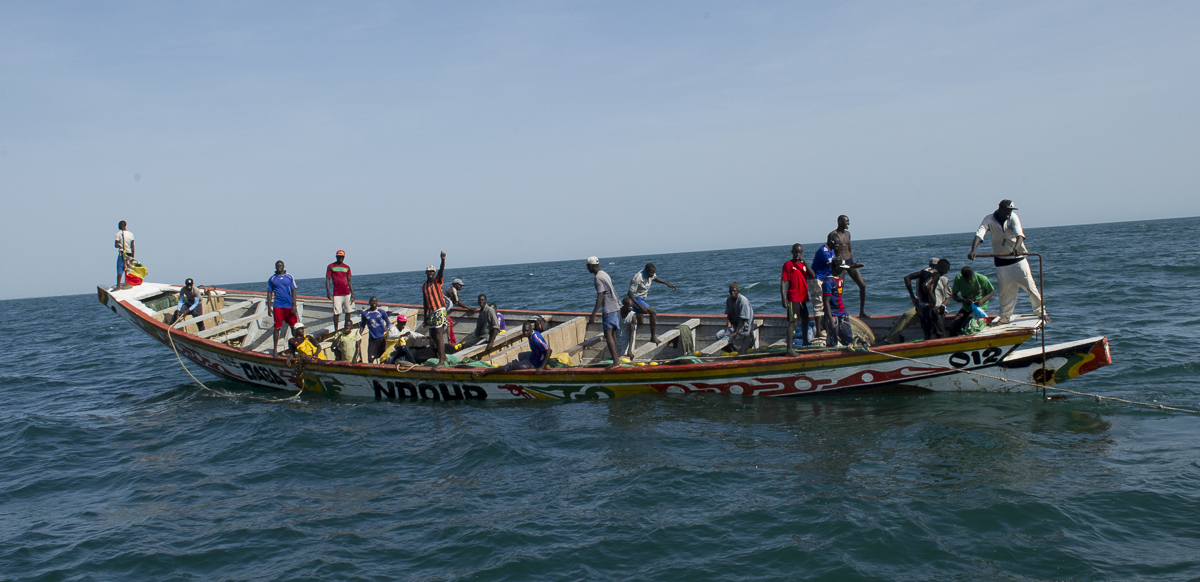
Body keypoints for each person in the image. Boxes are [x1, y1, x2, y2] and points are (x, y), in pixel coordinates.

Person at [968, 199, 1046, 324]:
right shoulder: (989, 219)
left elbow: (1019, 234)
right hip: (1001, 263)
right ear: (999, 208)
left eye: (1010, 210)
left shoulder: (1013, 218)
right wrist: (973, 250)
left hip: (1018, 260)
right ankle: (1005, 317)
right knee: (1005, 293)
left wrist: (1016, 248)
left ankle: (1041, 312)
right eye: (1006, 210)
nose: (1008, 213)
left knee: (1031, 287)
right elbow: (980, 233)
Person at [878, 258, 938, 345]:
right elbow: (907, 279)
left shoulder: (939, 277)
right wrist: (913, 298)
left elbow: (946, 296)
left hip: (935, 307)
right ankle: (890, 339)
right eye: (931, 266)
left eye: (934, 266)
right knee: (907, 315)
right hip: (923, 306)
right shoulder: (923, 276)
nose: (931, 268)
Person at [473, 320, 552, 375]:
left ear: (531, 329)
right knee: (520, 355)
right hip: (535, 355)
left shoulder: (535, 339)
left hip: (536, 362)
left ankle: (485, 372)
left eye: (527, 331)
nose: (525, 333)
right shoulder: (532, 334)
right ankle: (523, 367)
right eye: (524, 331)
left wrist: (541, 367)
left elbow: (549, 350)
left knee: (511, 365)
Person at [827, 215, 868, 318]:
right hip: (840, 263)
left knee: (862, 285)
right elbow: (828, 251)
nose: (848, 223)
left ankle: (862, 312)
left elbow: (849, 249)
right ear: (840, 222)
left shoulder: (848, 234)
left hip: (850, 261)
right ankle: (837, 313)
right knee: (839, 290)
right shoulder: (832, 235)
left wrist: (853, 263)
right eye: (846, 221)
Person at [780, 243, 817, 356]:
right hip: (793, 298)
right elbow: (783, 282)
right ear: (792, 252)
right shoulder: (788, 265)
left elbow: (813, 275)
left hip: (802, 298)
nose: (797, 255)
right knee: (793, 323)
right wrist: (783, 297)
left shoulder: (802, 266)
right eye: (796, 252)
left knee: (805, 319)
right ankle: (789, 350)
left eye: (799, 253)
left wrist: (804, 261)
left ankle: (805, 342)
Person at [627, 263, 677, 344]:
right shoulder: (637, 278)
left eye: (654, 272)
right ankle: (653, 337)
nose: (653, 274)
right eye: (651, 272)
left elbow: (656, 278)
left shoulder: (651, 274)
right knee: (653, 312)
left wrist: (667, 283)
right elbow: (630, 294)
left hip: (642, 299)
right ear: (646, 271)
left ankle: (629, 334)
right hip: (635, 299)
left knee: (640, 322)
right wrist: (639, 306)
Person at [587, 256, 622, 368]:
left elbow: (600, 296)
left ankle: (616, 361)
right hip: (616, 306)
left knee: (608, 334)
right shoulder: (604, 273)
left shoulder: (598, 278)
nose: (587, 268)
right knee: (613, 333)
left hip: (609, 308)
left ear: (592, 266)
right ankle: (615, 357)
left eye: (588, 266)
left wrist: (593, 314)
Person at [904, 258, 952, 340]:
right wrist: (933, 301)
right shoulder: (937, 274)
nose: (946, 272)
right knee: (940, 333)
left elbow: (907, 278)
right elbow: (926, 285)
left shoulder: (923, 272)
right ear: (940, 268)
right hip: (930, 308)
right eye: (946, 270)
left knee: (927, 333)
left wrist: (912, 297)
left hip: (921, 306)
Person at [949, 265, 996, 336]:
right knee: (953, 326)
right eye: (967, 280)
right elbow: (954, 295)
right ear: (962, 277)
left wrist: (982, 300)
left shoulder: (981, 279)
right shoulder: (958, 279)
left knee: (965, 327)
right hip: (966, 308)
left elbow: (992, 291)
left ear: (973, 274)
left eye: (971, 279)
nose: (969, 281)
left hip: (978, 309)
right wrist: (963, 300)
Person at [422, 252, 451, 368]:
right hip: (431, 312)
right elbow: (425, 302)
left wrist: (443, 260)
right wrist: (425, 318)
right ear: (426, 273)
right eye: (429, 272)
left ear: (434, 273)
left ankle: (441, 361)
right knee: (433, 335)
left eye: (432, 272)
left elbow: (442, 270)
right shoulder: (424, 286)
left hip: (439, 309)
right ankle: (442, 355)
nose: (430, 273)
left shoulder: (437, 281)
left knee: (439, 334)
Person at [822, 260, 857, 347]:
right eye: (841, 268)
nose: (843, 270)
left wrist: (854, 265)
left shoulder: (839, 277)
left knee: (848, 338)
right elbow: (826, 302)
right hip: (833, 314)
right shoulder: (828, 281)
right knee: (833, 342)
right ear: (836, 268)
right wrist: (830, 320)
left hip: (842, 312)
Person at [266, 260, 298, 355]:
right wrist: (269, 306)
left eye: (281, 265)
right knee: (277, 327)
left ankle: (296, 347)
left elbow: (293, 290)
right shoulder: (272, 279)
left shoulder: (289, 277)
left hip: (289, 305)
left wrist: (294, 305)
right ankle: (275, 349)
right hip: (278, 306)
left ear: (284, 266)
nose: (279, 267)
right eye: (277, 265)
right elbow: (269, 292)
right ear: (275, 267)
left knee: (293, 327)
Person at [808, 242, 835, 346]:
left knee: (826, 303)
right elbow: (832, 263)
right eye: (836, 244)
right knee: (818, 304)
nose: (838, 246)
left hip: (824, 279)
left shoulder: (831, 250)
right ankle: (818, 331)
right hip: (816, 279)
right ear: (830, 242)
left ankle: (824, 325)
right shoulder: (823, 251)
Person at [325, 250, 355, 332]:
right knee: (336, 313)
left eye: (342, 257)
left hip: (347, 292)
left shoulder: (347, 267)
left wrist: (352, 293)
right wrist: (328, 291)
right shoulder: (331, 266)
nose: (340, 258)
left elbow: (349, 280)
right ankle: (336, 331)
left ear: (344, 257)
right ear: (336, 257)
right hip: (337, 293)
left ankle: (347, 329)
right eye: (339, 256)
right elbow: (328, 279)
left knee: (348, 311)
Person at [724, 282, 755, 354]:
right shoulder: (729, 300)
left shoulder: (743, 301)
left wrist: (735, 332)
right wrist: (728, 322)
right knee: (719, 336)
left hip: (744, 328)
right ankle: (735, 349)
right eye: (731, 291)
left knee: (743, 352)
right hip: (734, 327)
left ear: (738, 291)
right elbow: (728, 313)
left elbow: (743, 319)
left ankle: (741, 351)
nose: (732, 293)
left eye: (734, 291)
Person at [359, 297, 390, 363]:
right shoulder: (365, 313)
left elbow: (388, 322)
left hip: (382, 337)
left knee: (383, 357)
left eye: (375, 301)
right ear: (369, 303)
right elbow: (362, 325)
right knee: (370, 358)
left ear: (377, 302)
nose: (374, 303)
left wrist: (389, 331)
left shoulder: (381, 312)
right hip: (372, 338)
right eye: (372, 301)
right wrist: (359, 335)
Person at [114, 220, 135, 289]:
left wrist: (119, 244)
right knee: (128, 268)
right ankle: (127, 282)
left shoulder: (118, 234)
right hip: (129, 253)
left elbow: (116, 245)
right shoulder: (131, 234)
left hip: (122, 253)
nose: (118, 226)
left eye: (118, 225)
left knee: (120, 268)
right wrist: (133, 257)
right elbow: (132, 246)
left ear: (121, 225)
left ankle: (118, 286)